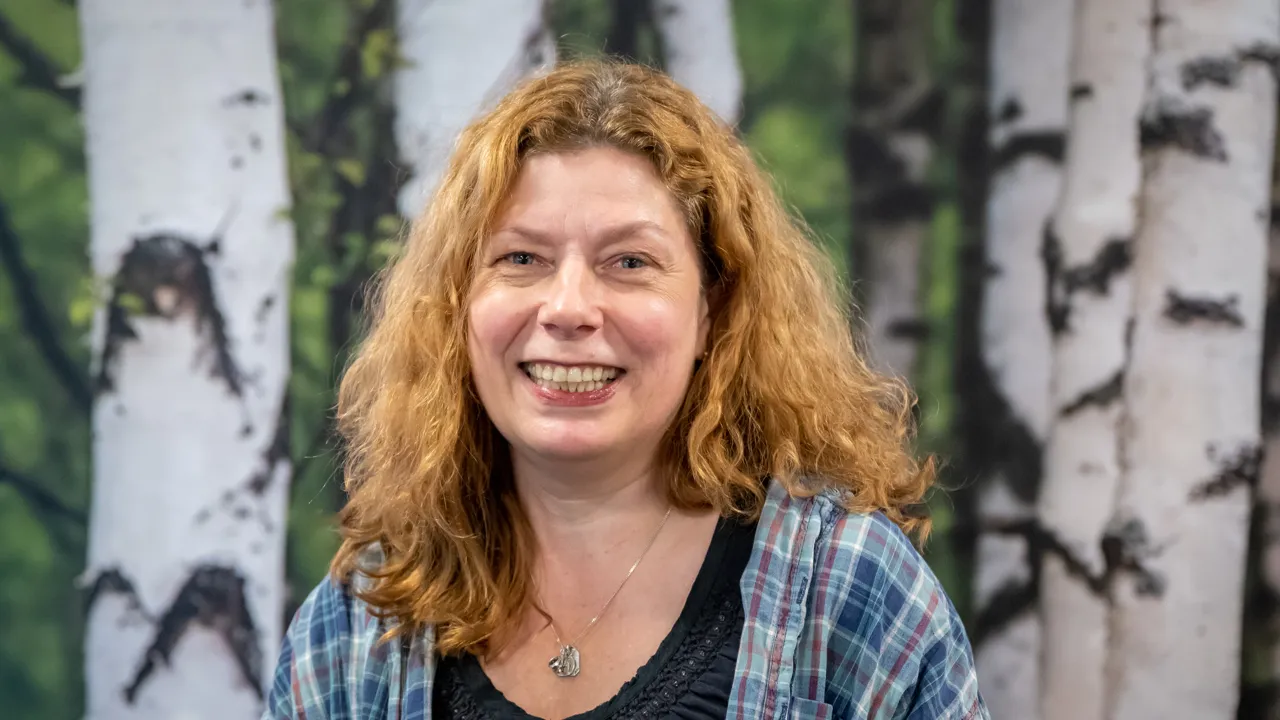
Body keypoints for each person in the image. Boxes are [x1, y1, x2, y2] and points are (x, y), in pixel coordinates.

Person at [264, 60, 987, 720]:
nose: (569, 307)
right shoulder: (362, 622)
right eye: (522, 258)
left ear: (714, 309)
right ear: (458, 305)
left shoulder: (849, 592)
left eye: (629, 261)